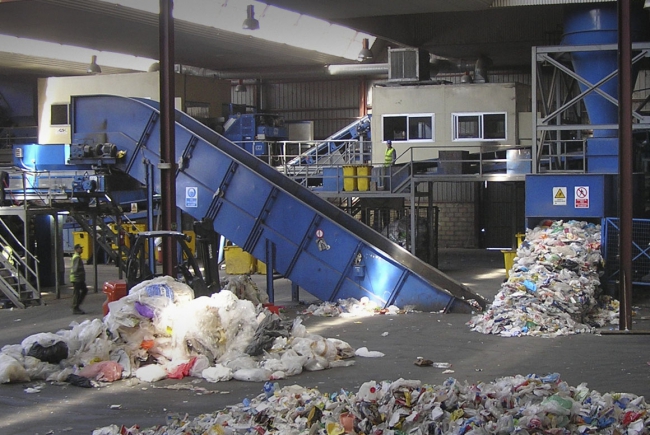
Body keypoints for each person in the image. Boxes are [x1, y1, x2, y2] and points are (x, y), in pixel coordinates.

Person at [70, 244, 88, 314]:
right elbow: (75, 269)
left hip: (78, 278)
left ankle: (76, 305)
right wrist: (79, 274)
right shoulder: (76, 257)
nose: (82, 249)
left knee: (83, 290)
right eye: (80, 248)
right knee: (77, 293)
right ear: (77, 249)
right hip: (77, 278)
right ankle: (75, 307)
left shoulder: (76, 257)